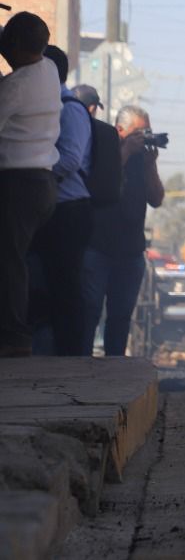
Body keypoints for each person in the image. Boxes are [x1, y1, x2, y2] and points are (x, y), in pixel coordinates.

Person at [81, 105, 164, 356]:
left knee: (120, 317)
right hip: (99, 247)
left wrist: (150, 165)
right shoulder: (103, 150)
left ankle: (114, 368)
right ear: (120, 130)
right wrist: (125, 152)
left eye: (147, 131)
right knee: (90, 311)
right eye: (139, 132)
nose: (145, 137)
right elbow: (100, 184)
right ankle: (81, 366)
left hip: (131, 251)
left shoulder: (142, 160)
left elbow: (157, 198)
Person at [0, 13, 61, 358]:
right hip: (42, 182)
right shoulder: (49, 70)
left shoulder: (16, 86)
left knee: (9, 262)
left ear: (17, 47)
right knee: (16, 259)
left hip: (17, 183)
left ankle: (13, 337)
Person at [28, 45, 94, 355]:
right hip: (50, 209)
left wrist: (31, 169)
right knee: (44, 286)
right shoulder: (47, 107)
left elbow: (69, 159)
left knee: (67, 287)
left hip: (69, 211)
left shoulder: (70, 109)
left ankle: (73, 356)